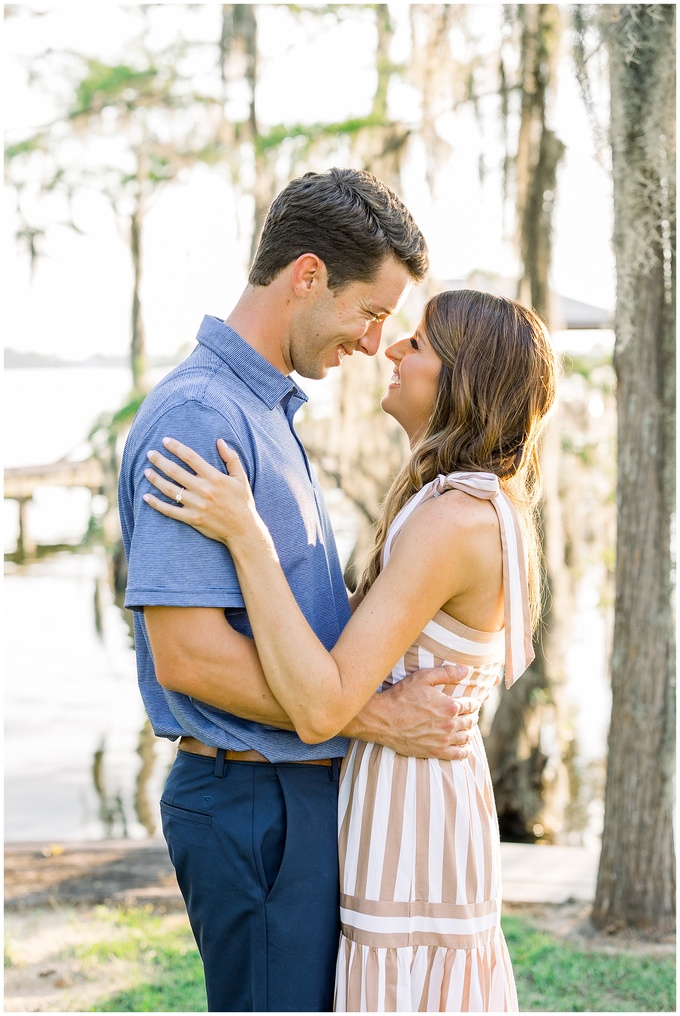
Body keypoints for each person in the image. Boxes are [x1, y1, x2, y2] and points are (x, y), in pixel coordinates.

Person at [118, 168, 480, 1014]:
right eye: (370, 310)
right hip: (253, 801)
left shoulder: (267, 410)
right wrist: (378, 715)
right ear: (307, 276)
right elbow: (190, 656)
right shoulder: (201, 415)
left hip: (291, 794)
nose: (371, 341)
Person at [143, 287, 558, 1012]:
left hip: (414, 813)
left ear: (465, 380)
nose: (390, 349)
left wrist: (247, 537)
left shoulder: (456, 518)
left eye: (418, 344)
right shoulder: (446, 504)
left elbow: (323, 699)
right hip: (396, 793)